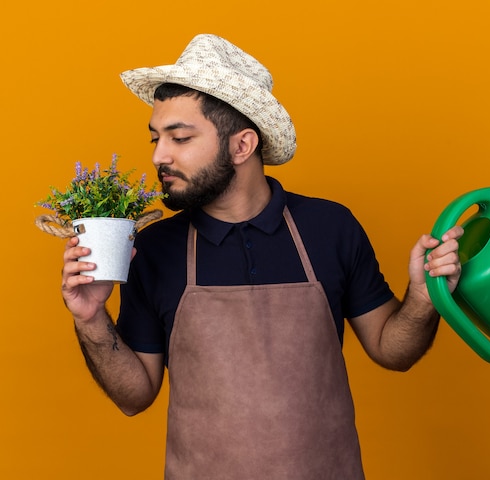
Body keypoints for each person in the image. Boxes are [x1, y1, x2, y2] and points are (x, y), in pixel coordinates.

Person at [61, 34, 463, 479]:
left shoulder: (330, 228)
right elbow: (134, 396)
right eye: (156, 138)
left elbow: (393, 350)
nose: (159, 155)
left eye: (180, 137)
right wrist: (91, 318)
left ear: (242, 146)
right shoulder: (155, 249)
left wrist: (425, 300)